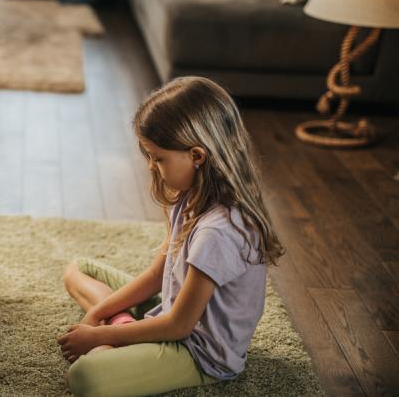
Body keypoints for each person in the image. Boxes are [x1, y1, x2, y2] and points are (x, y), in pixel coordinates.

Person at [57, 76, 285, 396]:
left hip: (198, 352)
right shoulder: (190, 196)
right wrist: (97, 314)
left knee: (85, 376)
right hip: (171, 313)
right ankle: (123, 325)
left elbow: (179, 326)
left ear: (197, 156)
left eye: (158, 157)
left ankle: (119, 336)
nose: (151, 166)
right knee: (78, 270)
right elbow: (156, 276)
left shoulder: (218, 232)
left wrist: (98, 336)